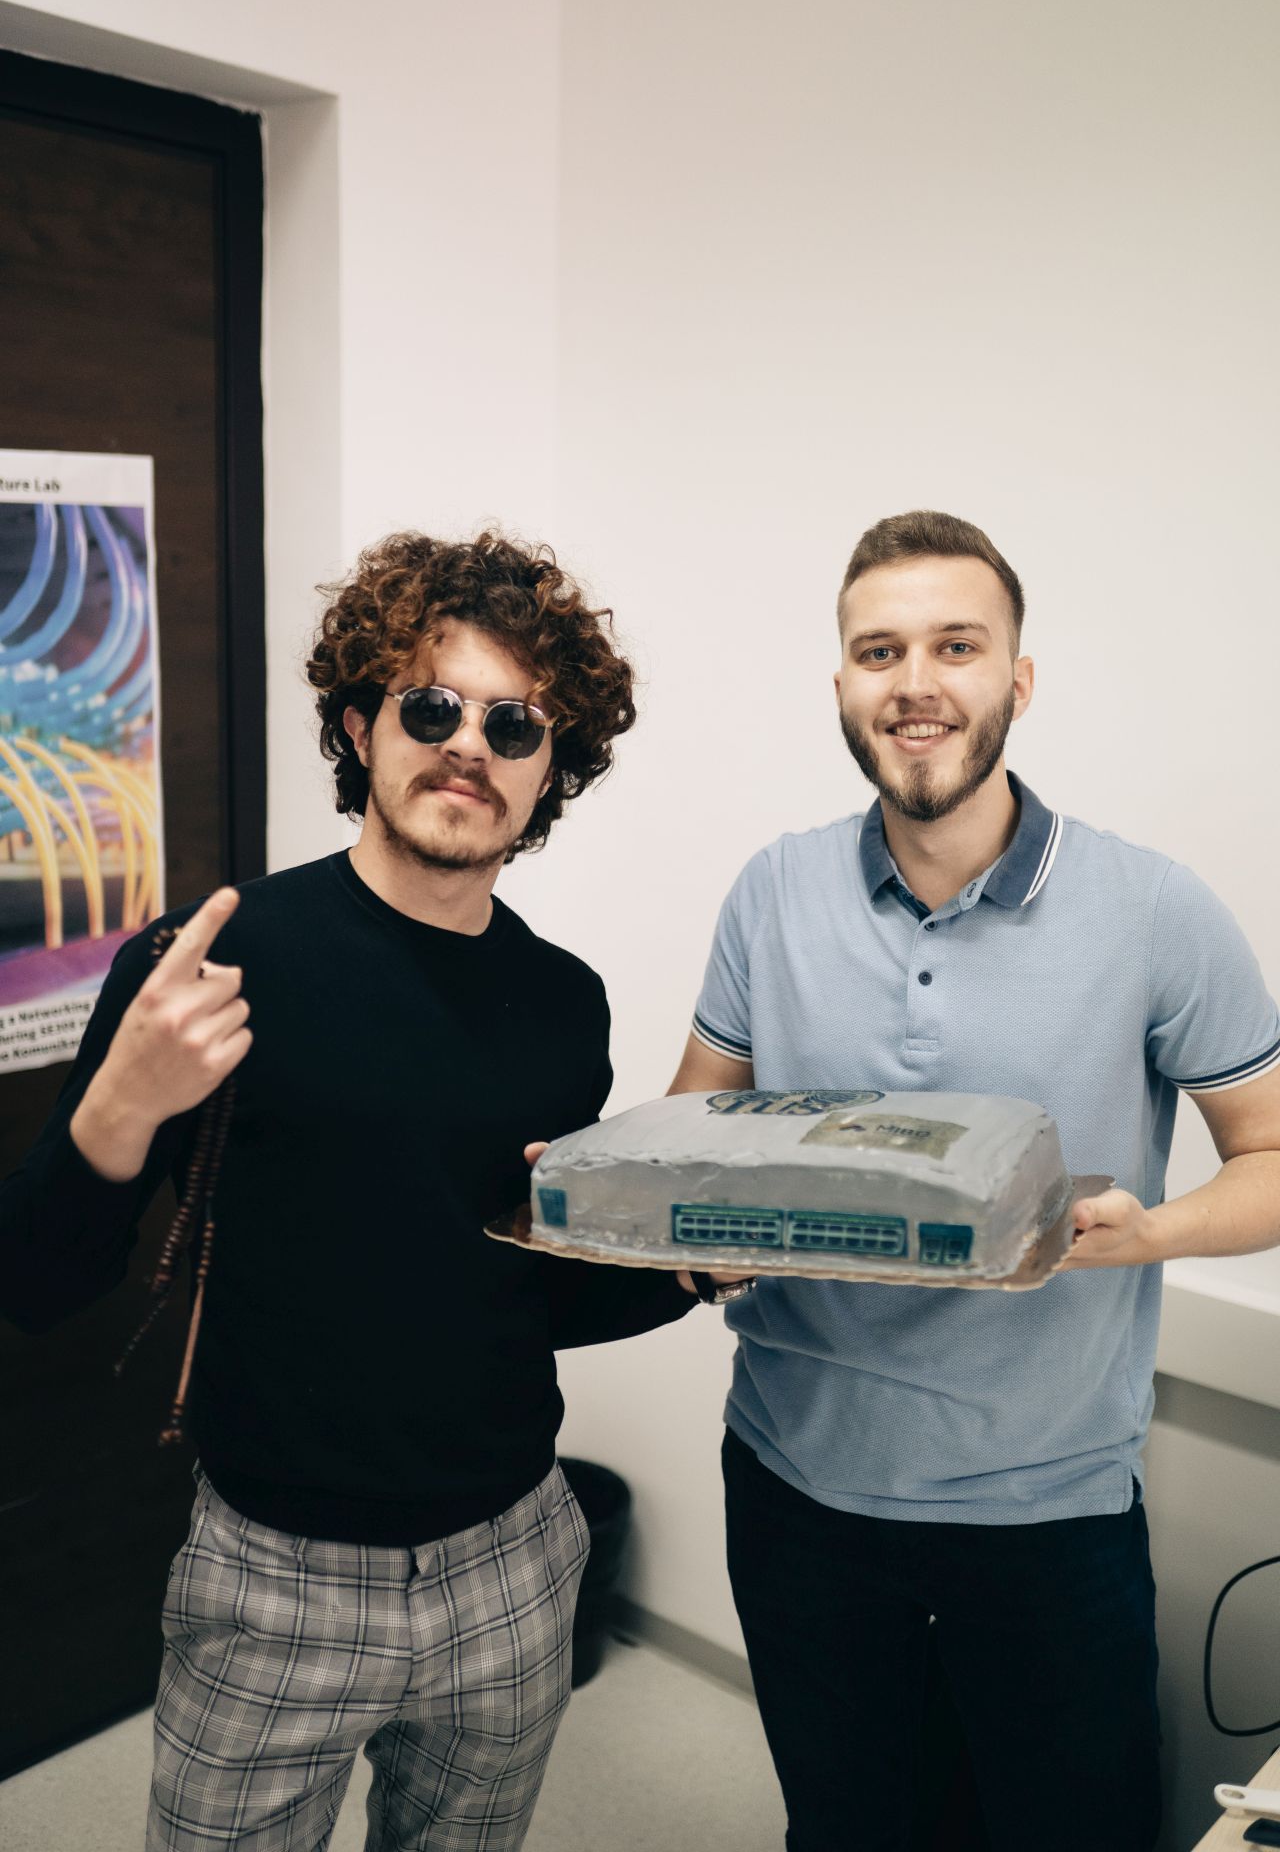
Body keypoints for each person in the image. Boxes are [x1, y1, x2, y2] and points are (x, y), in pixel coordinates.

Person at [0, 530, 699, 1852]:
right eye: (432, 709)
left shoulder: (564, 1004)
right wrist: (120, 1104)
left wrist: (689, 1264)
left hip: (515, 1561)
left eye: (514, 725)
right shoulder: (211, 966)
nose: (469, 748)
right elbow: (36, 1280)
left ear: (550, 771)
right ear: (361, 724)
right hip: (274, 1581)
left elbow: (524, 1296)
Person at [669, 509, 1280, 1852]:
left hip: (1049, 1517)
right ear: (842, 683)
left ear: (1020, 677)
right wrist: (654, 1217)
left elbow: (1274, 1156)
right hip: (796, 1494)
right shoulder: (772, 891)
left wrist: (1151, 1233)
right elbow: (696, 1141)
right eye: (879, 651)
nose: (917, 684)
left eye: (957, 645)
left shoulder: (1153, 909)